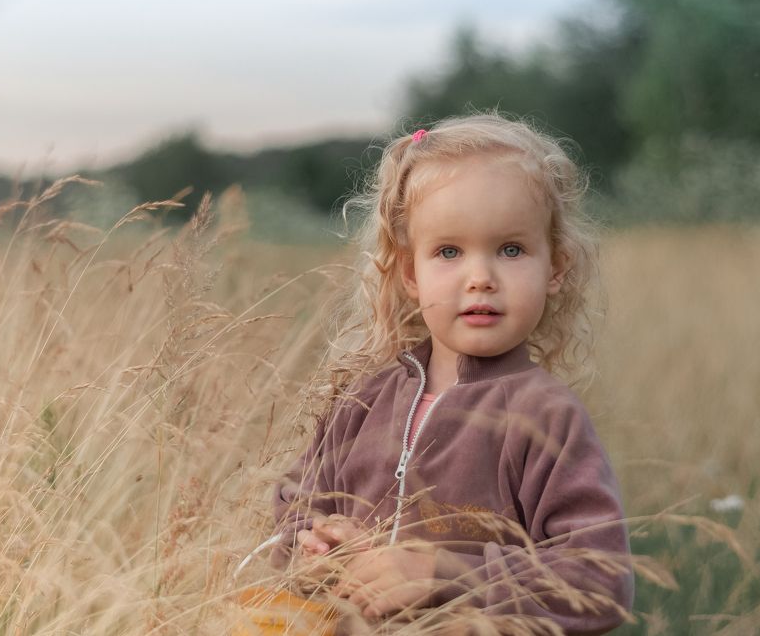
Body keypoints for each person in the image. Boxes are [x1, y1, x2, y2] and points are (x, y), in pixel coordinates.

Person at [271, 113, 634, 634]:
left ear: (556, 266)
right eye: (448, 252)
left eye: (511, 250)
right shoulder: (364, 401)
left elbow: (601, 581)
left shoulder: (545, 417)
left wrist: (448, 572)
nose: (481, 278)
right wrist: (316, 545)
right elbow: (293, 514)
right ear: (410, 273)